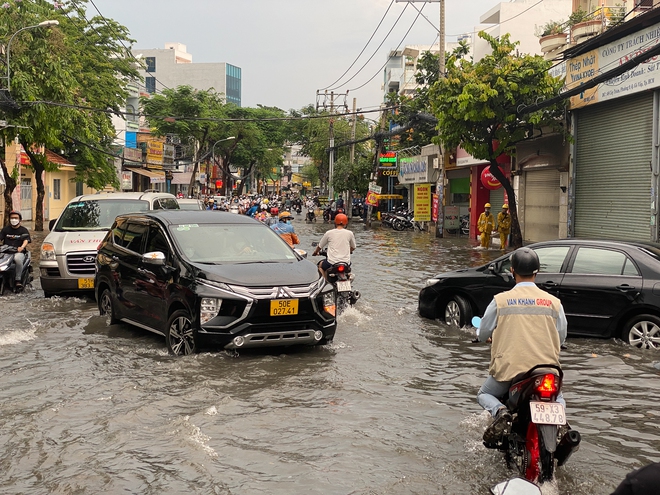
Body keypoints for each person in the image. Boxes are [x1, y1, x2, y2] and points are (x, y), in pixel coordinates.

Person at [476, 247, 567, 443]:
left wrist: (486, 337)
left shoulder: (500, 301)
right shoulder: (554, 303)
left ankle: (501, 412)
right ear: (537, 272)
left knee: (484, 394)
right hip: (546, 370)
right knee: (558, 398)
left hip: (510, 370)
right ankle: (562, 424)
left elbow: (483, 331)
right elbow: (561, 337)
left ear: (512, 271)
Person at [312, 213, 356, 279]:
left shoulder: (329, 233)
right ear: (346, 223)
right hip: (346, 263)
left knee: (320, 265)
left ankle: (325, 281)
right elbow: (353, 247)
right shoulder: (350, 233)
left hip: (331, 263)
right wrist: (348, 251)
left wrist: (315, 252)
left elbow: (320, 246)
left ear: (335, 222)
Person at [0, 211, 31, 289]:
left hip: (18, 252)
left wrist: (22, 247)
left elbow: (26, 240)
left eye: (16, 218)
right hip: (6, 252)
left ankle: (18, 280)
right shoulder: (5, 229)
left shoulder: (23, 230)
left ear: (20, 220)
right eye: (12, 218)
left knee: (17, 259)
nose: (13, 219)